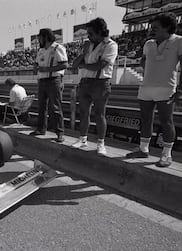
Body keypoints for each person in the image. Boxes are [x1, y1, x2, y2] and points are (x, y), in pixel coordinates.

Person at [126, 13, 182, 167]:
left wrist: (180, 90)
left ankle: (166, 155)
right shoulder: (149, 44)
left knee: (166, 121)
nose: (152, 30)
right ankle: (143, 149)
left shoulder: (179, 41)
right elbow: (144, 60)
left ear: (167, 27)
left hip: (166, 88)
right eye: (152, 27)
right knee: (145, 119)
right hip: (146, 87)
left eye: (156, 27)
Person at [71, 17, 118, 156]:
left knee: (100, 114)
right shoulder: (88, 45)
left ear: (100, 32)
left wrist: (84, 65)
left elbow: (101, 65)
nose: (88, 36)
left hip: (100, 82)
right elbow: (74, 65)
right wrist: (84, 53)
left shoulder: (110, 45)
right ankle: (83, 139)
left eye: (90, 33)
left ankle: (101, 143)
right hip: (85, 82)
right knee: (84, 113)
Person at [30, 28, 68, 143]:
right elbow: (36, 64)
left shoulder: (58, 48)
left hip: (54, 80)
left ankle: (60, 132)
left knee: (55, 107)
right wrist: (35, 68)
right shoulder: (41, 50)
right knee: (41, 106)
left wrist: (47, 69)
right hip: (42, 81)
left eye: (40, 37)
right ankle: (41, 129)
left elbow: (64, 64)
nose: (39, 40)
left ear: (46, 37)